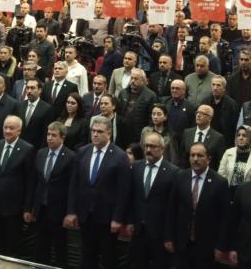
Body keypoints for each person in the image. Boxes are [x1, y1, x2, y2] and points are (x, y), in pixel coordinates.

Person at [65, 114, 131, 269]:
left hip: (107, 218)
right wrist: (71, 211)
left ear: (109, 133)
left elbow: (123, 191)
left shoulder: (120, 156)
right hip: (85, 215)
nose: (95, 134)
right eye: (93, 131)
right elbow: (74, 184)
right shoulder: (82, 152)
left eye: (99, 131)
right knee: (87, 255)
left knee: (108, 257)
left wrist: (117, 218)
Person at [164, 141, 229, 268]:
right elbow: (171, 209)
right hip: (182, 242)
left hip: (206, 245)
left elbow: (225, 218)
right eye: (192, 155)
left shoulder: (220, 183)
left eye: (200, 155)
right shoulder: (180, 177)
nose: (195, 159)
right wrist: (168, 237)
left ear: (208, 159)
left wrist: (221, 245)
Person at [0, 115, 35, 255]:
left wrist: (27, 207)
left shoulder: (27, 149)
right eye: (5, 127)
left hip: (14, 206)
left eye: (11, 128)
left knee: (11, 243)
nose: (7, 131)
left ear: (19, 131)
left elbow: (30, 181)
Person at [126, 130, 179, 269]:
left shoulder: (173, 172)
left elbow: (173, 207)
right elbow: (131, 197)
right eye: (146, 146)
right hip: (138, 231)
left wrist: (169, 235)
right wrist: (130, 221)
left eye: (153, 146)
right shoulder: (136, 167)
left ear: (162, 149)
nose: (148, 149)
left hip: (159, 233)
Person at [30, 121, 76, 268]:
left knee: (60, 247)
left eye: (54, 135)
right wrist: (29, 207)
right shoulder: (41, 153)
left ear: (62, 137)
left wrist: (70, 212)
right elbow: (34, 182)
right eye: (48, 134)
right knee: (40, 245)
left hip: (59, 211)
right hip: (41, 209)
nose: (50, 138)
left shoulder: (70, 157)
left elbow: (72, 187)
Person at [218, 125, 251, 200]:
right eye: (238, 135)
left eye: (244, 136)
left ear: (250, 138)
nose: (241, 138)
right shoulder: (228, 152)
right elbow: (221, 175)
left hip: (247, 196)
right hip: (228, 194)